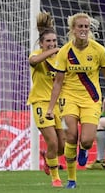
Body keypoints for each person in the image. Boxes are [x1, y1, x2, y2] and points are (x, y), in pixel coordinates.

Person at [45, 12, 105, 189]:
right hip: (69, 98)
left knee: (87, 141)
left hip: (91, 99)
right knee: (71, 135)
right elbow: (58, 82)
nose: (83, 30)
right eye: (80, 27)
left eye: (86, 27)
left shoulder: (98, 50)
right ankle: (72, 179)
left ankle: (84, 149)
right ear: (72, 29)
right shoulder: (64, 52)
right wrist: (51, 108)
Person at [26, 12, 65, 188]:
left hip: (59, 105)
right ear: (41, 43)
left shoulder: (60, 59)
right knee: (53, 142)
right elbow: (33, 62)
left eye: (54, 41)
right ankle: (56, 179)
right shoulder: (36, 55)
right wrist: (52, 51)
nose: (52, 44)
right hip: (41, 103)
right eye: (48, 41)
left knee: (62, 147)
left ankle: (48, 159)